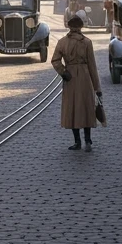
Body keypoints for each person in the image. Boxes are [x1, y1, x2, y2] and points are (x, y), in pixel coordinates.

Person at [51, 14, 102, 151]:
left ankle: (77, 142)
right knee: (86, 108)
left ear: (69, 26)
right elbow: (92, 66)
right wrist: (97, 88)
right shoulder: (87, 42)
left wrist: (63, 72)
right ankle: (88, 140)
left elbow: (55, 60)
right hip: (85, 78)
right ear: (81, 27)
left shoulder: (62, 42)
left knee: (72, 108)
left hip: (70, 77)